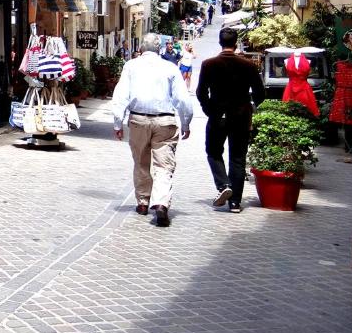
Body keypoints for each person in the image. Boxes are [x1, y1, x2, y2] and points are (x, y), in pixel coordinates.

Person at [112, 33, 194, 227]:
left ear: (141, 48)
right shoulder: (170, 68)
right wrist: (186, 122)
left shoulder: (131, 66)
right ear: (159, 49)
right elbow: (183, 99)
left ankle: (142, 202)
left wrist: (118, 123)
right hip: (165, 121)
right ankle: (161, 203)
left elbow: (121, 94)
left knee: (140, 161)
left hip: (138, 120)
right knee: (164, 166)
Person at [196, 27, 266, 213]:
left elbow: (201, 92)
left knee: (213, 151)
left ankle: (223, 184)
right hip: (242, 115)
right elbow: (260, 94)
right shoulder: (249, 65)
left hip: (218, 114)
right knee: (238, 157)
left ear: (220, 42)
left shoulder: (209, 64)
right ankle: (235, 202)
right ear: (236, 44)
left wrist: (209, 109)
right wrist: (252, 109)